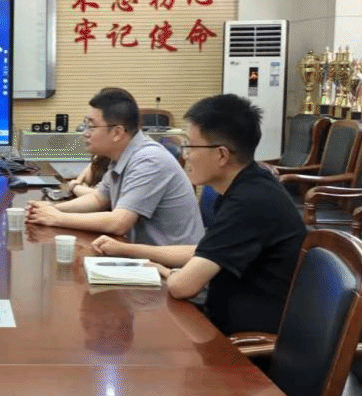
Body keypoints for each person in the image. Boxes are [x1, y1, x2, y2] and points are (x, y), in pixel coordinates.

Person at [91, 93, 307, 336]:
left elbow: (183, 287)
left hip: (241, 340)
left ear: (222, 155)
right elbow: (205, 250)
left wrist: (167, 272)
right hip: (221, 320)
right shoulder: (248, 186)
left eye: (191, 146)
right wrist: (128, 250)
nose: (185, 155)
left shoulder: (250, 203)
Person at [26, 87, 202, 246]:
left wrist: (57, 218)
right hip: (144, 255)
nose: (85, 133)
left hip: (173, 264)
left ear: (117, 132)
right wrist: (52, 208)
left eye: (91, 126)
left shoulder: (149, 160)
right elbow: (99, 199)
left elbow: (119, 223)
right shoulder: (121, 155)